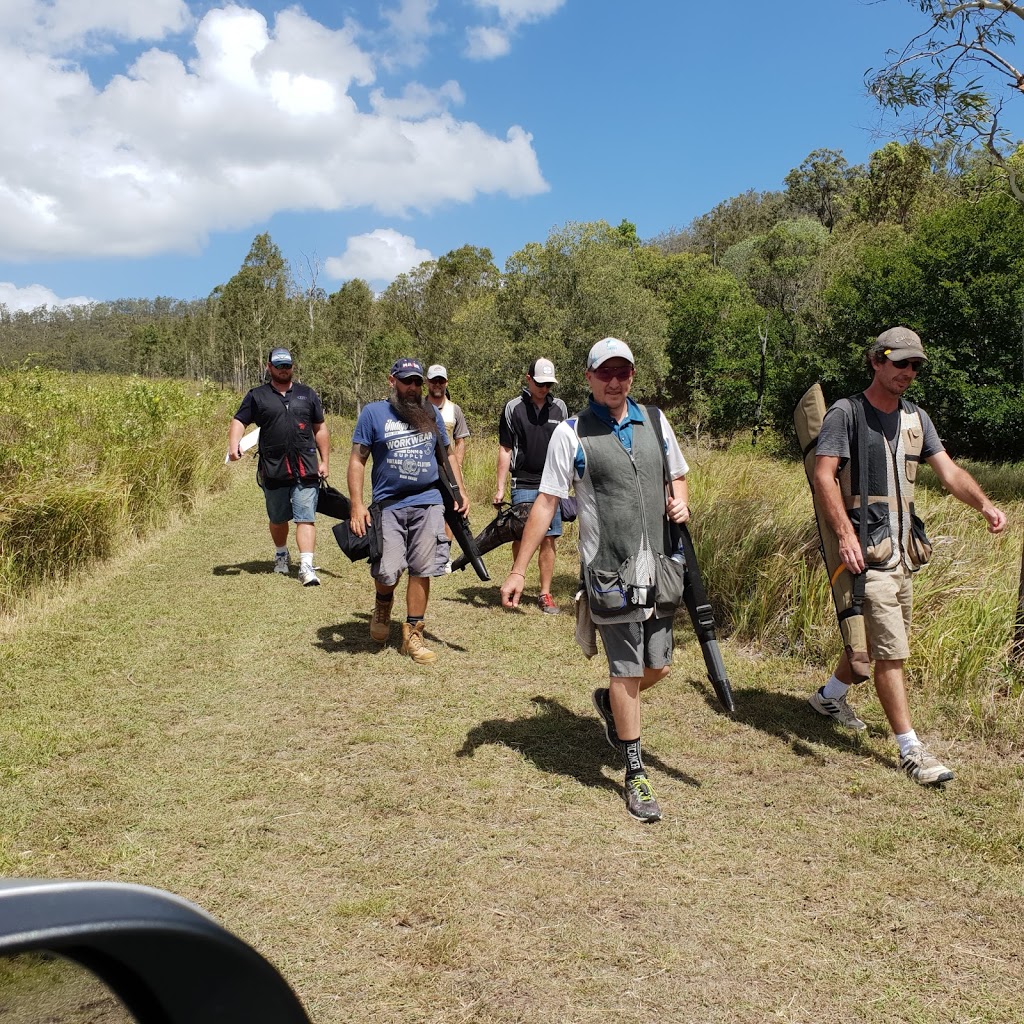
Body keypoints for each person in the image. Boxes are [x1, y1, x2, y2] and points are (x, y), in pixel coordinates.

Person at [499, 338, 690, 823]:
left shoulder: (655, 420)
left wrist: (680, 499)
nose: (615, 381)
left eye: (623, 371)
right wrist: (520, 569)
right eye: (605, 372)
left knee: (659, 667)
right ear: (588, 377)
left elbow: (678, 473)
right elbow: (545, 503)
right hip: (609, 574)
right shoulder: (571, 433)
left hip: (660, 568)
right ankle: (635, 772)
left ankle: (608, 703)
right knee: (626, 670)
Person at [809, 327, 1007, 785]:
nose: (908, 372)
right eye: (900, 363)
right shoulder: (847, 412)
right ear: (877, 361)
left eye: (915, 365)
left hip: (903, 555)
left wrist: (985, 506)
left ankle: (828, 697)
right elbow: (824, 477)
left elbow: (948, 471)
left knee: (877, 646)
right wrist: (844, 535)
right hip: (867, 554)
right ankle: (910, 749)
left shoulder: (918, 417)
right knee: (890, 654)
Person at [347, 358, 469, 665]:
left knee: (422, 566)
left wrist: (460, 490)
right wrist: (357, 504)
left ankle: (414, 632)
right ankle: (383, 603)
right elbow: (357, 460)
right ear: (392, 381)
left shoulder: (430, 413)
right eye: (407, 381)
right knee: (388, 568)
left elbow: (447, 456)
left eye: (417, 382)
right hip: (388, 503)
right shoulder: (373, 414)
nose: (413, 387)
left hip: (429, 501)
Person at [228, 347, 330, 587]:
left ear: (293, 367)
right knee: (278, 517)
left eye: (287, 365)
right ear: (269, 367)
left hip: (306, 466)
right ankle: (282, 553)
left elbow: (320, 428)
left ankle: (306, 566)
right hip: (273, 467)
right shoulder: (257, 395)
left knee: (305, 516)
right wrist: (234, 444)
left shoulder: (307, 394)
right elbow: (239, 420)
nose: (284, 370)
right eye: (279, 366)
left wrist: (324, 460)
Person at [494, 357, 568, 614]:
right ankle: (517, 581)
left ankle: (545, 593)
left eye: (548, 384)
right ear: (528, 379)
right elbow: (505, 448)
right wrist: (500, 487)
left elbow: (566, 448)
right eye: (539, 383)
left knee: (548, 539)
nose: (544, 388)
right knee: (522, 536)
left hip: (552, 484)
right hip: (522, 481)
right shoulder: (512, 408)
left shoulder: (560, 408)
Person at [427, 364, 471, 572]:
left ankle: (444, 556)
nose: (437, 384)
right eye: (434, 380)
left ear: (446, 382)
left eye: (441, 381)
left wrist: (456, 468)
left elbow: (460, 441)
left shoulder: (455, 410)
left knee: (451, 512)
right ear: (427, 382)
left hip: (448, 470)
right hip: (425, 468)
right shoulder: (419, 406)